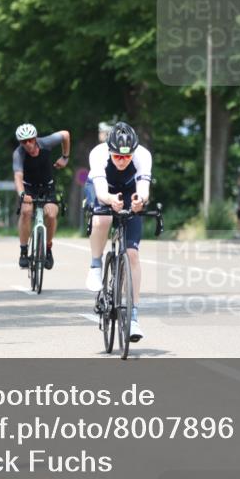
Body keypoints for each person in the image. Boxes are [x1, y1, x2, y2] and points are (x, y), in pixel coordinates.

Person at [85, 121, 152, 342]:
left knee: (132, 254)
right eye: (117, 157)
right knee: (102, 218)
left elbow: (143, 189)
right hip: (104, 188)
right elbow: (102, 190)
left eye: (127, 157)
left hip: (130, 189)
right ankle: (96, 265)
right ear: (110, 151)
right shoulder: (98, 154)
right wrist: (109, 200)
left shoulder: (143, 155)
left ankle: (133, 318)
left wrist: (139, 200)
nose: (122, 161)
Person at [13, 123, 71, 270]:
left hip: (47, 186)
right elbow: (18, 177)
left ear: (35, 138)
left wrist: (65, 157)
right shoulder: (18, 154)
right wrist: (22, 194)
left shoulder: (45, 143)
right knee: (26, 211)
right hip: (28, 188)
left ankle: (48, 248)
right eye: (23, 141)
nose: (28, 144)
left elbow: (65, 134)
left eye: (30, 140)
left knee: (51, 214)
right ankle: (24, 251)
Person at [83, 122, 112, 211]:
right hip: (95, 181)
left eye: (102, 132)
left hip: (112, 183)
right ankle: (89, 202)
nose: (100, 134)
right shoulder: (98, 150)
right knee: (98, 212)